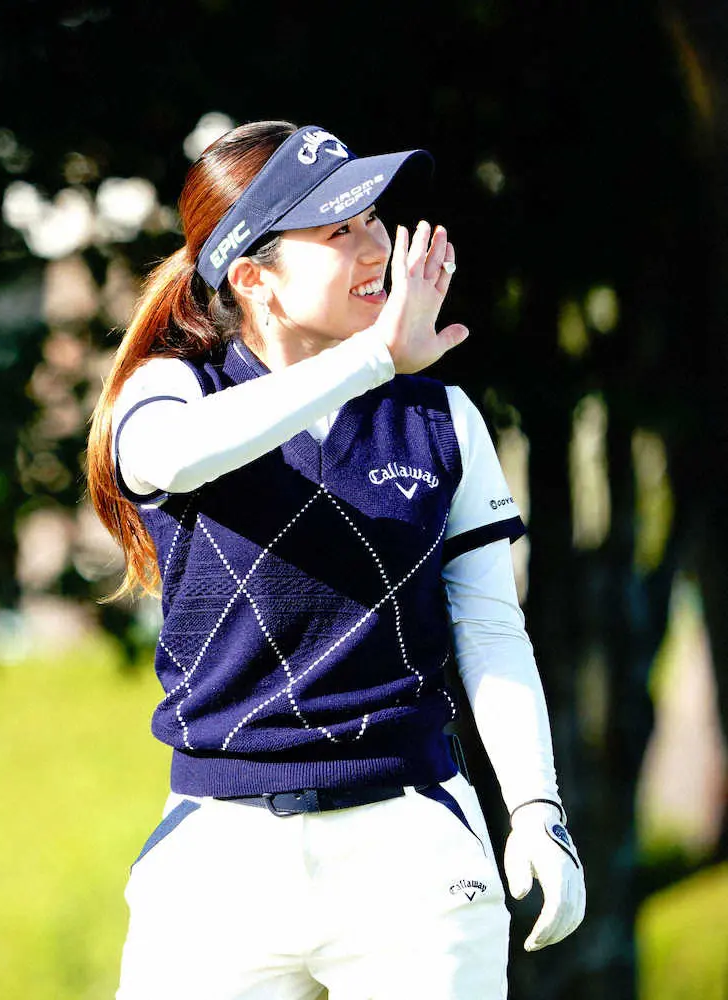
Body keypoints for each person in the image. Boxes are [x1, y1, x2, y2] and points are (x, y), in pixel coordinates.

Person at [87, 120, 585, 1000]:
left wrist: (536, 807)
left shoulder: (442, 417)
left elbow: (489, 629)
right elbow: (172, 456)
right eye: (337, 230)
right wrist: (372, 358)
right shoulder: (174, 390)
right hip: (218, 859)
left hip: (413, 850)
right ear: (253, 277)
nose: (377, 246)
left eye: (373, 220)